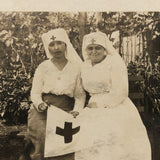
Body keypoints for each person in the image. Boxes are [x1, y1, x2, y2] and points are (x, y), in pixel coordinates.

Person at [75, 31, 151, 160]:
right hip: (91, 108)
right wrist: (77, 110)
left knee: (112, 137)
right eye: (90, 48)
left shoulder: (114, 62)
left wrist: (100, 104)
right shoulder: (84, 66)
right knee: (86, 138)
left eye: (98, 47)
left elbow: (121, 91)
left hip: (116, 105)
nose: (94, 51)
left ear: (104, 48)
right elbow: (79, 93)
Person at [21, 28, 86, 160]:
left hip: (65, 109)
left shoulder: (76, 68)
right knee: (41, 135)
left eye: (59, 43)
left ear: (65, 45)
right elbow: (35, 92)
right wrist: (39, 104)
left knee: (64, 140)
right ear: (47, 47)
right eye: (52, 44)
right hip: (43, 110)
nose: (56, 48)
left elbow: (80, 95)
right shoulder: (43, 67)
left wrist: (76, 111)